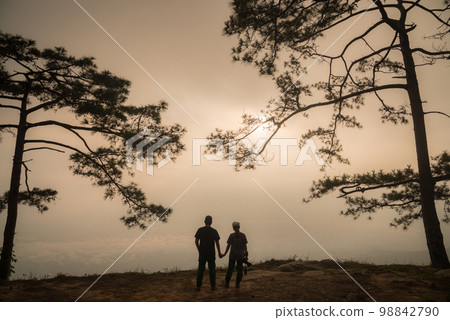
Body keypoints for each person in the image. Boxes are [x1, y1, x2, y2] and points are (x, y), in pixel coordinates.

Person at [194, 215, 222, 291]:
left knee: (200, 269)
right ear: (211, 222)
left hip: (202, 252)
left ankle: (198, 286)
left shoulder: (200, 230)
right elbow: (217, 243)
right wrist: (219, 252)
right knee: (212, 269)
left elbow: (196, 241)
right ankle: (213, 286)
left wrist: (199, 249)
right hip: (211, 253)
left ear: (204, 221)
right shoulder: (214, 231)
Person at [220, 221, 248, 288]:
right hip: (241, 256)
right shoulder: (243, 235)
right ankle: (237, 284)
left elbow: (228, 246)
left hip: (232, 255)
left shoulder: (231, 236)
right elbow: (245, 246)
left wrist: (224, 254)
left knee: (230, 269)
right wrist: (246, 255)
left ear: (233, 228)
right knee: (240, 270)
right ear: (239, 227)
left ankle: (227, 283)